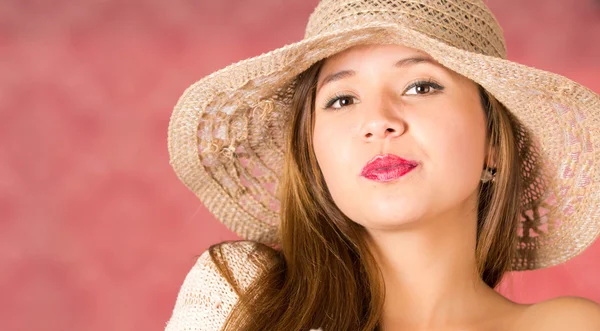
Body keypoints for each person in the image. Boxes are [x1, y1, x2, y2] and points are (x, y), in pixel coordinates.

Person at [164, 0, 600, 330]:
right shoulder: (246, 293)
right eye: (342, 99)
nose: (377, 122)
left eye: (421, 86)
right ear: (313, 153)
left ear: (495, 143)